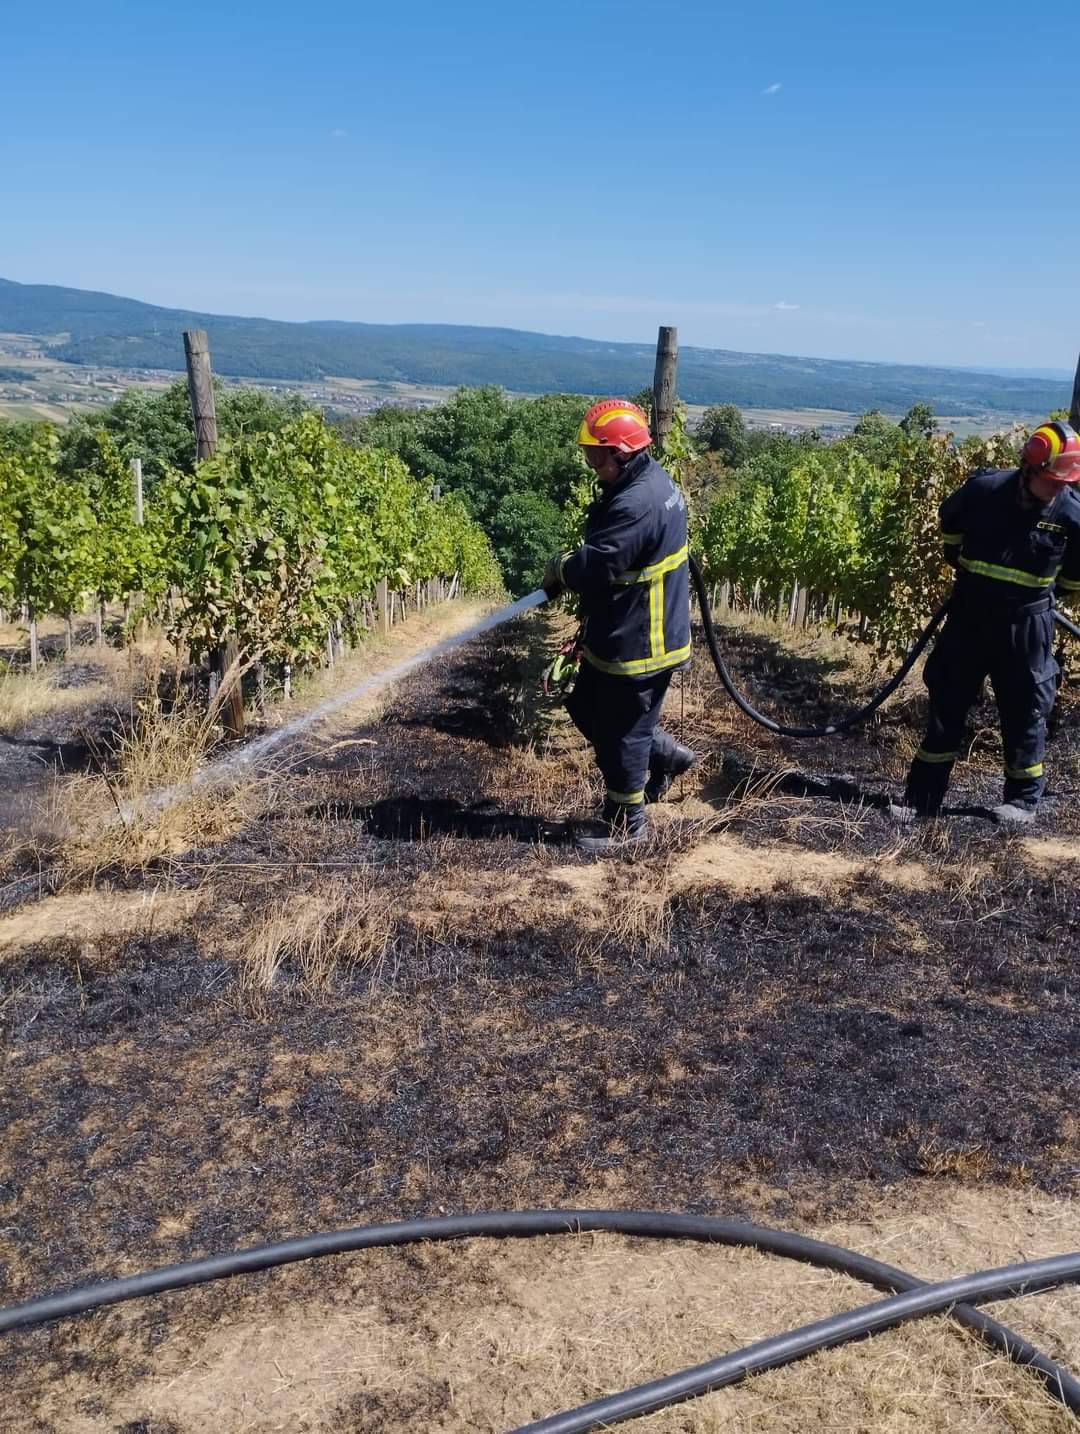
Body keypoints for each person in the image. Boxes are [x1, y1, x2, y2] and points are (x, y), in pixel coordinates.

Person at [891, 419, 1080, 827]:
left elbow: (1072, 579)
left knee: (1025, 709)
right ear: (1029, 468)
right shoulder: (984, 491)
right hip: (970, 617)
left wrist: (1036, 600)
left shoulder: (1071, 515)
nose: (1059, 487)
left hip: (1027, 627)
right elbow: (950, 528)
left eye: (1064, 481)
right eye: (1052, 479)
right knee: (948, 703)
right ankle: (922, 799)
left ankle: (1022, 801)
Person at [542, 399, 697, 852]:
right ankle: (665, 755)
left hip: (640, 641)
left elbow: (600, 567)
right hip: (621, 629)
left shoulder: (638, 503)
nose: (592, 465)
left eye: (596, 455)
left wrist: (562, 568)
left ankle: (627, 827)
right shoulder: (644, 484)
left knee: (623, 733)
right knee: (587, 707)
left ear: (623, 453)